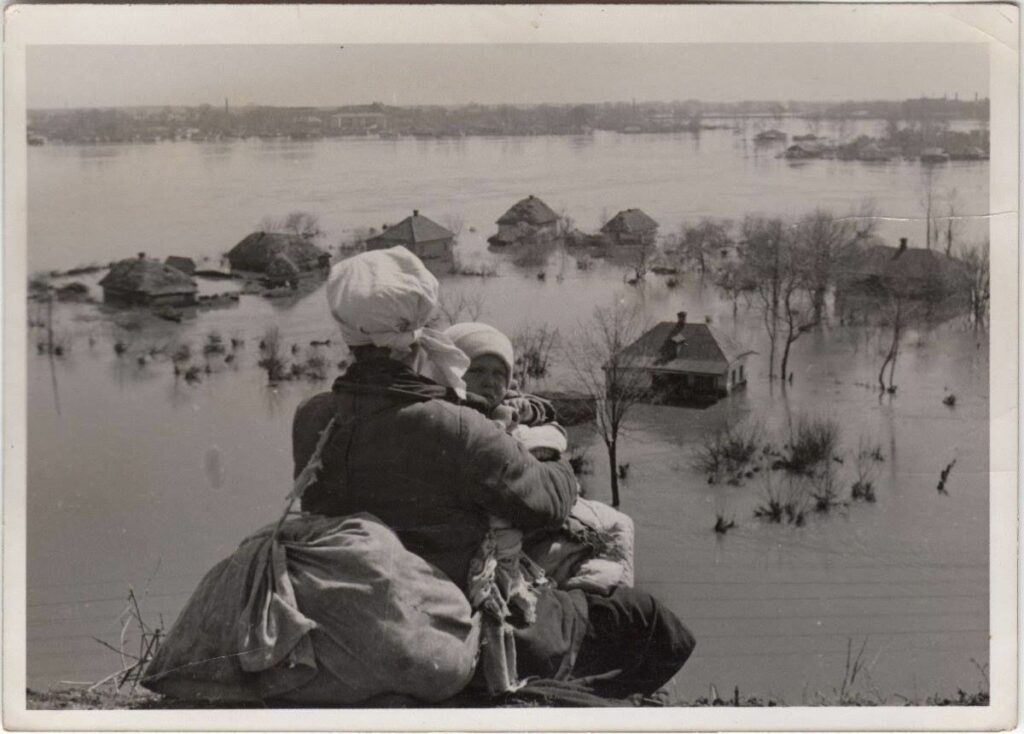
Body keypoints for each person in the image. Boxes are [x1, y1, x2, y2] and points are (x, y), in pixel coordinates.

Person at [292, 246, 694, 702]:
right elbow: (550, 501)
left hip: (358, 611)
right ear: (415, 330)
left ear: (349, 333)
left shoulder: (312, 418)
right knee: (643, 618)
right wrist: (550, 448)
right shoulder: (453, 426)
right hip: (457, 616)